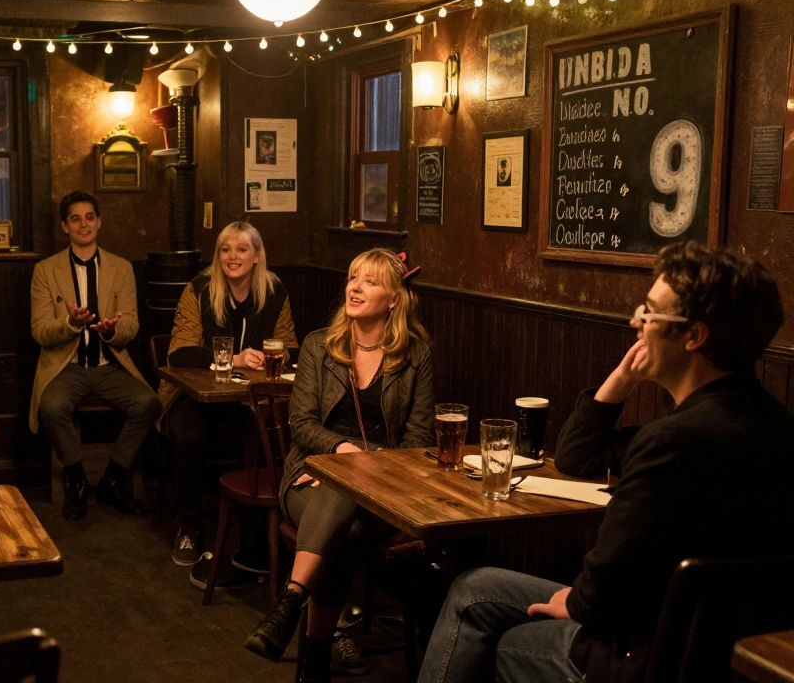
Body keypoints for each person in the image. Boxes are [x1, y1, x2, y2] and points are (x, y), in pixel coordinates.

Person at [417, 242, 794, 683]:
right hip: (733, 656)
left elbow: (599, 592)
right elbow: (577, 457)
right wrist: (621, 378)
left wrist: (574, 602)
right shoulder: (775, 427)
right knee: (475, 586)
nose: (636, 322)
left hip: (641, 656)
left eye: (650, 314)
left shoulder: (671, 442)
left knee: (493, 624)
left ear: (693, 336)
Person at [245, 248, 434, 682]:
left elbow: (420, 441)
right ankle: (312, 655)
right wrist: (345, 456)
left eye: (369, 281)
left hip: (388, 486)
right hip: (311, 471)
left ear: (394, 299)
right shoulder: (318, 345)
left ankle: (291, 608)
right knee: (340, 506)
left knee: (343, 518)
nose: (355, 286)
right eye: (352, 277)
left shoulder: (417, 355)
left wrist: (369, 469)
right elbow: (302, 424)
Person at [160, 221, 297, 566]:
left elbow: (290, 345)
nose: (232, 256)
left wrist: (268, 356)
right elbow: (179, 352)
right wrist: (232, 358)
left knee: (264, 435)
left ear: (256, 256)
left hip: (249, 398)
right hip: (193, 396)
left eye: (241, 249)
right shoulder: (200, 289)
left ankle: (256, 539)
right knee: (190, 436)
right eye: (225, 249)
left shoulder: (275, 291)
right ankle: (189, 526)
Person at [30, 190, 160, 521]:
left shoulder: (122, 268)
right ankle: (76, 481)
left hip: (109, 365)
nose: (84, 224)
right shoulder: (46, 270)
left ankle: (114, 479)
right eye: (76, 218)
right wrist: (71, 324)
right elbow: (40, 331)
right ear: (65, 226)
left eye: (90, 217)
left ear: (99, 222)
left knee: (148, 403)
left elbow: (130, 324)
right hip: (67, 367)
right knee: (51, 405)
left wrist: (112, 330)